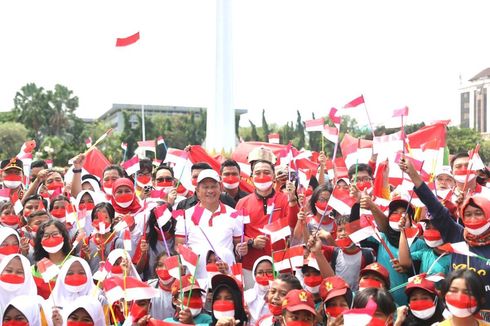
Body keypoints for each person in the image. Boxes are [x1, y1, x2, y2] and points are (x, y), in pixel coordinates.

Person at [399, 157, 490, 310]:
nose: (473, 218)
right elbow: (435, 207)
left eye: (478, 213)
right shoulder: (456, 235)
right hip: (455, 312)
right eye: (468, 214)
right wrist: (414, 175)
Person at [236, 147, 299, 289]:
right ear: (251, 177)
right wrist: (251, 242)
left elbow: (294, 227)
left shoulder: (284, 199)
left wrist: (293, 200)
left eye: (266, 172)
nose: (262, 176)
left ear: (274, 176)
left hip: (280, 265)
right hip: (251, 266)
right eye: (257, 173)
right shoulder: (242, 203)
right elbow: (236, 234)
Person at [174, 169, 247, 279]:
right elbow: (178, 246)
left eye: (213, 186)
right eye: (205, 187)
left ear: (220, 188)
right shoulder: (186, 216)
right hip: (196, 280)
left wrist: (241, 250)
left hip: (226, 277)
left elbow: (238, 247)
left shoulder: (234, 214)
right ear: (197, 191)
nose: (210, 191)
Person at [244, 256, 273, 325]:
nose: (264, 276)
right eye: (260, 272)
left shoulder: (279, 296)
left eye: (269, 272)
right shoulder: (246, 296)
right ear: (254, 275)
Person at [147, 252, 175, 320]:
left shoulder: (184, 290)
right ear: (156, 269)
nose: (164, 268)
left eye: (168, 265)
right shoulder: (149, 286)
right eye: (160, 265)